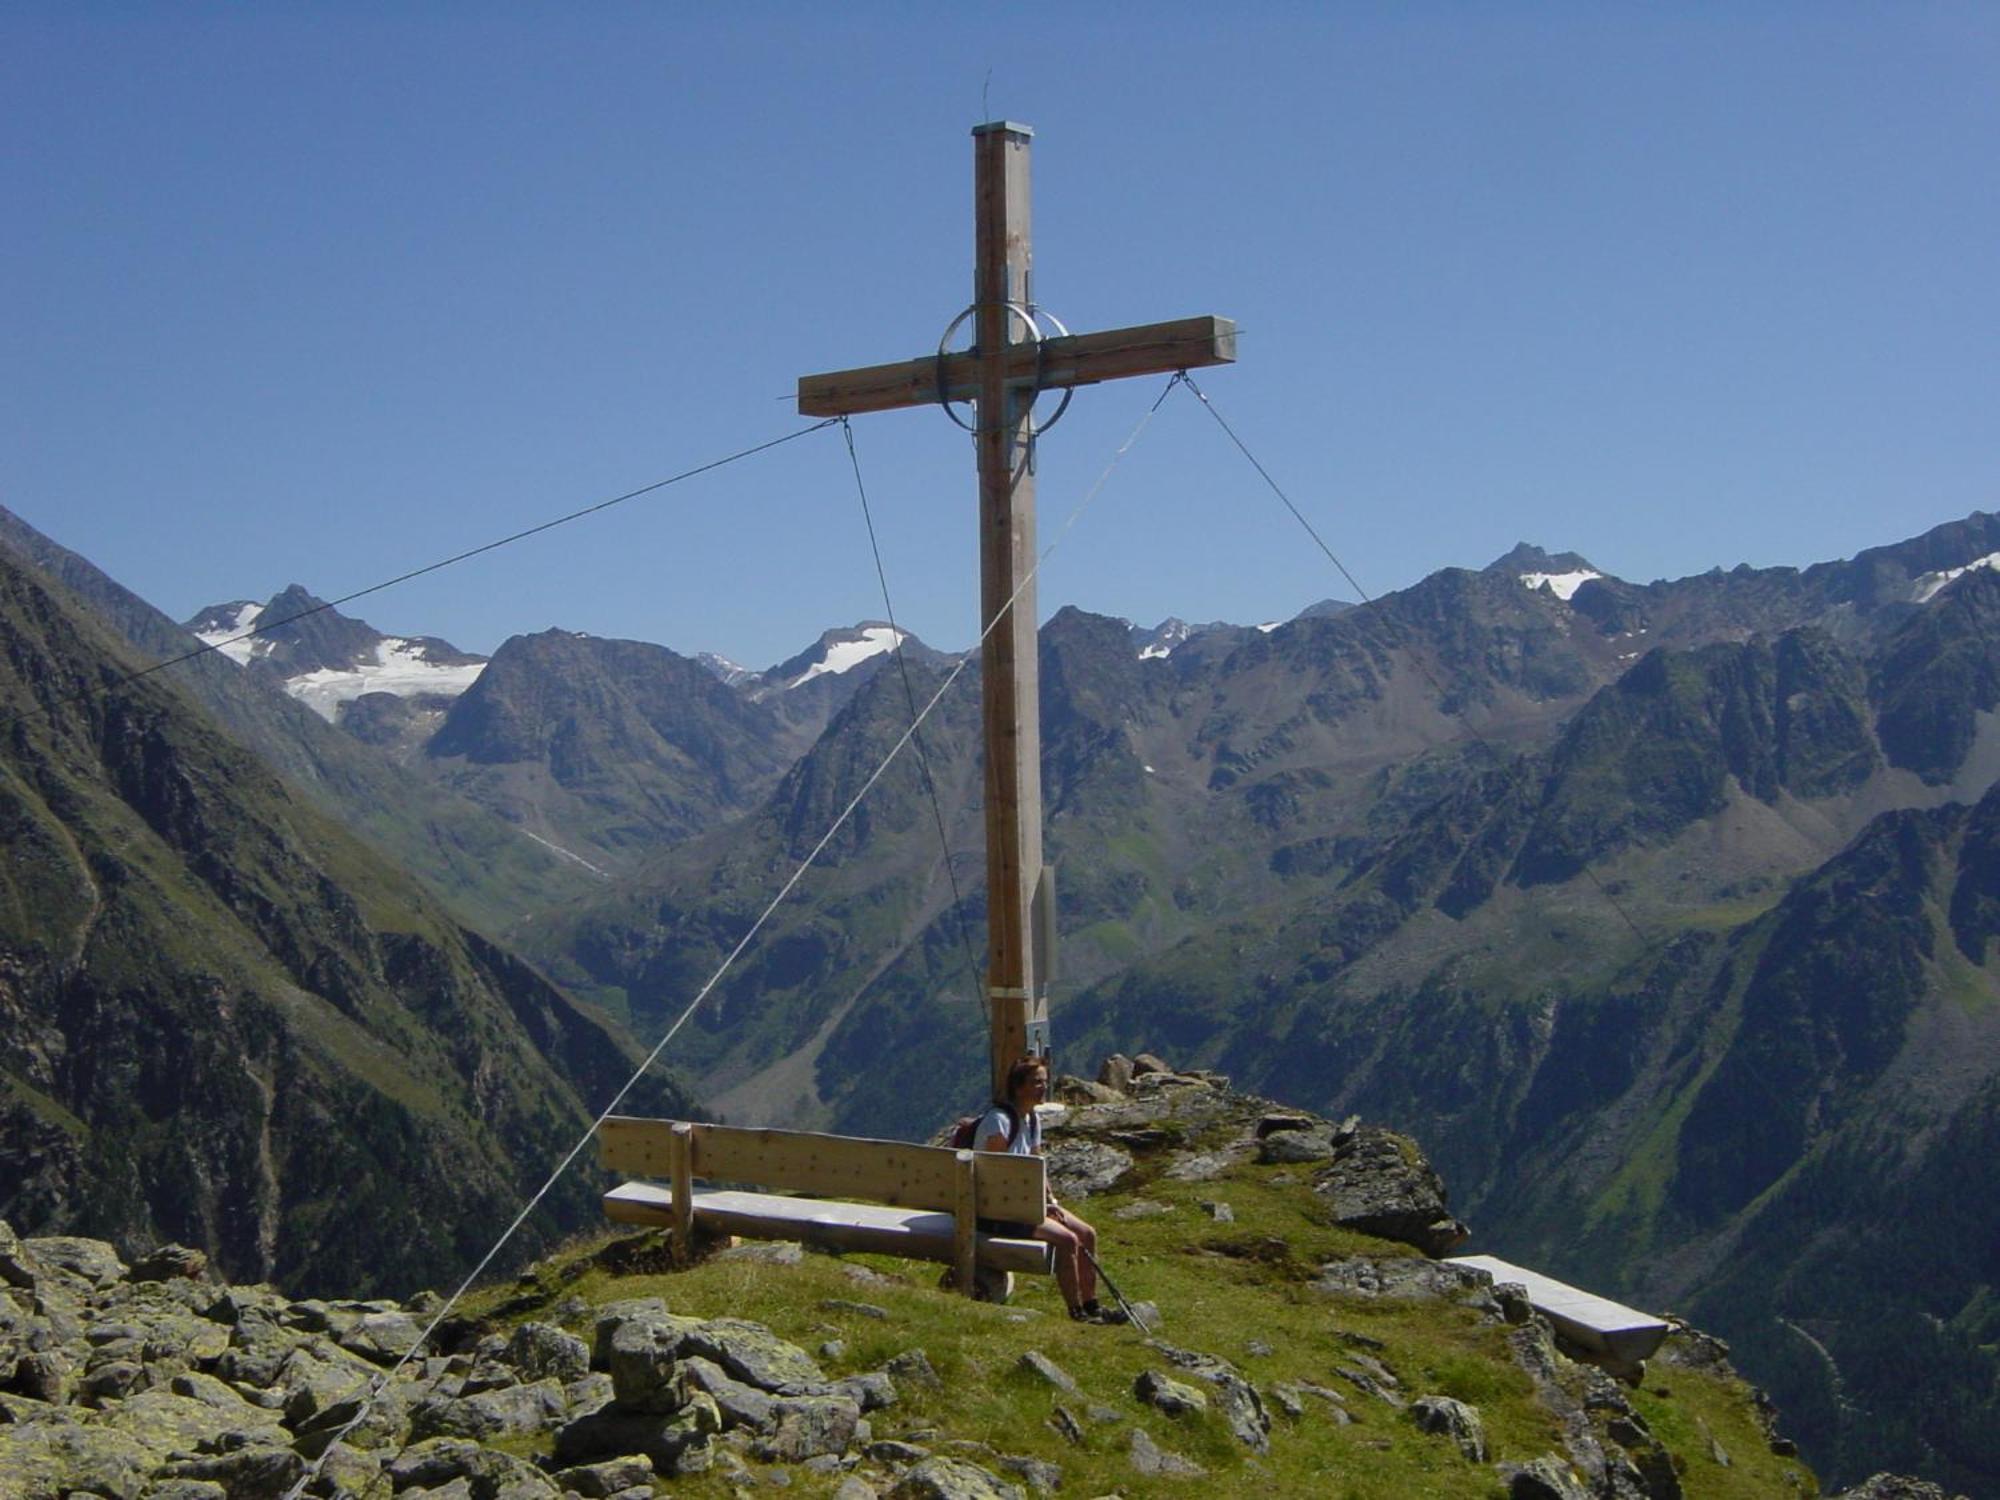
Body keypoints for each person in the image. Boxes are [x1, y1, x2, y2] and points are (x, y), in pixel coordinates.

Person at [976, 1055, 1123, 1323]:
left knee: (1087, 1234)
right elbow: (995, 1176)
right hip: (998, 1211)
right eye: (1036, 1083)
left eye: (1044, 1081)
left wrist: (1050, 1201)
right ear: (1019, 1087)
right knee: (1067, 1240)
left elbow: (1037, 1165)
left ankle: (1093, 1306)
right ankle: (1076, 1311)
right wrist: (1037, 1207)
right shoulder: (999, 1121)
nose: (1043, 1087)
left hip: (1025, 1205)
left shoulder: (1031, 1120)